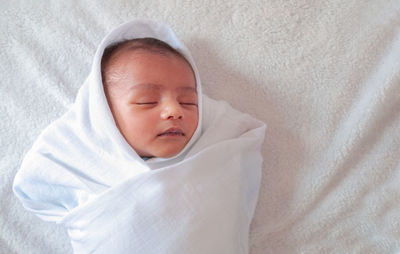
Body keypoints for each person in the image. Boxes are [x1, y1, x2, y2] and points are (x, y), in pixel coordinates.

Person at [13, 19, 266, 253]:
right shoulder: (81, 174)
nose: (174, 111)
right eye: (147, 101)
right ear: (104, 114)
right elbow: (33, 186)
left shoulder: (218, 160)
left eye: (189, 102)